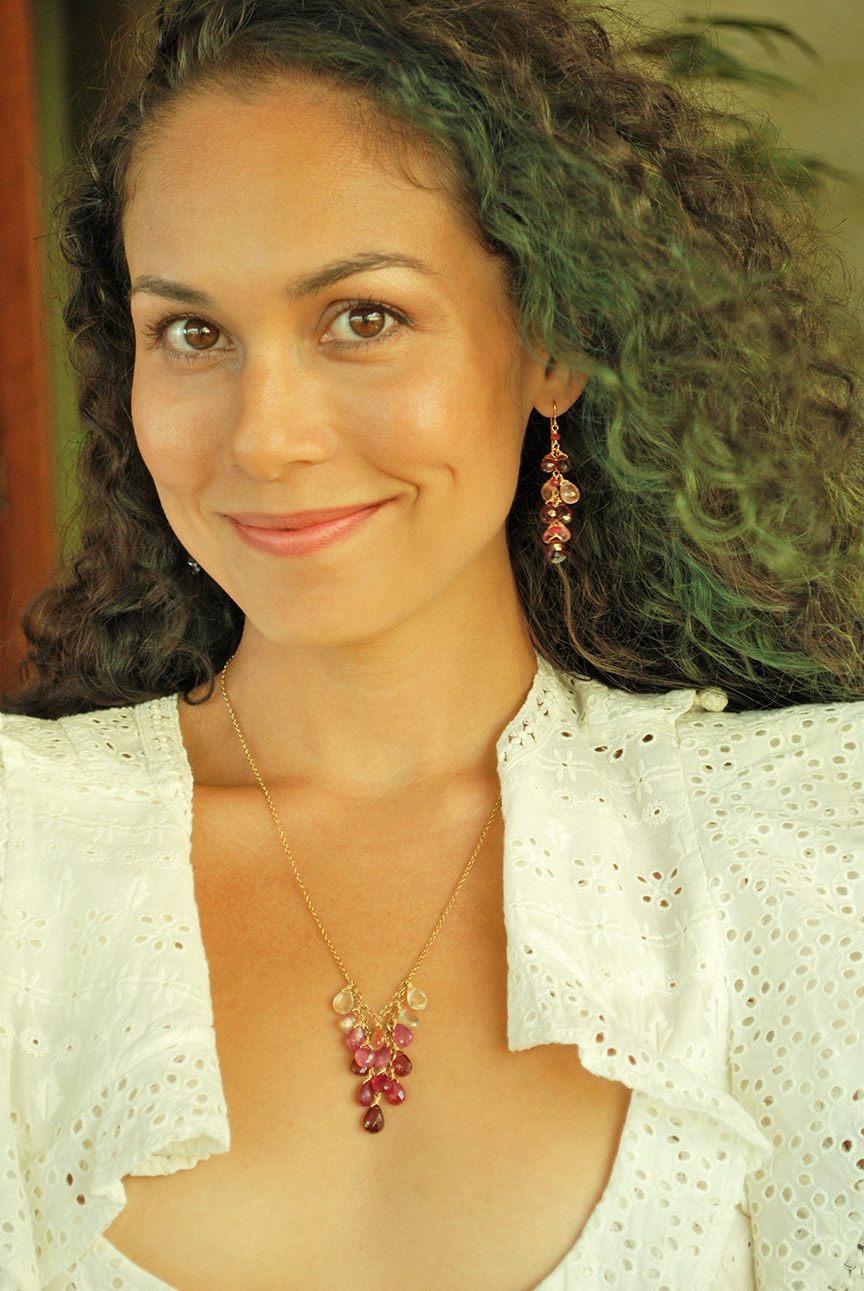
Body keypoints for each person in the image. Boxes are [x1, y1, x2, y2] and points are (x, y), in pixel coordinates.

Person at [2, 0, 863, 1287]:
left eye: (363, 317)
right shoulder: (22, 856)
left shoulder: (811, 849)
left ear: (552, 342)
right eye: (193, 332)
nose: (266, 437)